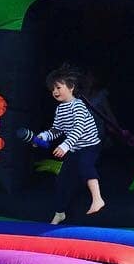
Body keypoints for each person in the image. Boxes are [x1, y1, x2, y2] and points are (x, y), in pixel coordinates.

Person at [37, 65, 105, 224]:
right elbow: (56, 129)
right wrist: (44, 136)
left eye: (58, 87)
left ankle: (97, 199)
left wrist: (65, 146)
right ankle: (60, 212)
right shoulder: (60, 109)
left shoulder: (78, 105)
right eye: (52, 89)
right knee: (62, 180)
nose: (55, 91)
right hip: (74, 148)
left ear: (71, 87)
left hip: (89, 145)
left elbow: (78, 128)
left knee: (85, 165)